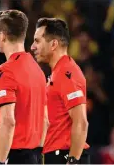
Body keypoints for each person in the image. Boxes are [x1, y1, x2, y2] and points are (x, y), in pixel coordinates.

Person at [31, 17, 90, 164]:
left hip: (65, 155)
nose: (32, 46)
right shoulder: (58, 73)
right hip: (56, 155)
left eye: (37, 41)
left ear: (53, 44)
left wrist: (73, 160)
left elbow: (81, 122)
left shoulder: (67, 73)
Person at [0, 10, 48, 164]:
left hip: (15, 155)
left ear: (2, 35)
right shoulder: (38, 71)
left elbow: (8, 121)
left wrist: (0, 161)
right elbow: (45, 120)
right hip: (36, 154)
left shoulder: (5, 71)